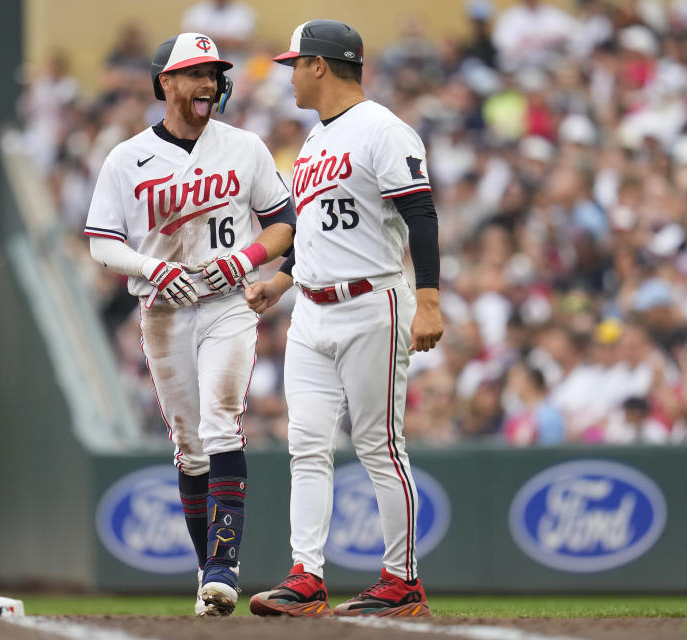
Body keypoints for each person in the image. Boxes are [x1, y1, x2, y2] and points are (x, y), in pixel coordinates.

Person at [84, 32, 295, 617]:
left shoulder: (244, 145)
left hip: (227, 299)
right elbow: (102, 241)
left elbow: (282, 224)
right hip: (164, 308)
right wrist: (153, 266)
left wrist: (246, 260)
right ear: (165, 83)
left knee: (223, 423)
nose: (209, 83)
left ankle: (225, 567)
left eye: (214, 72)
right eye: (195, 72)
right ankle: (209, 575)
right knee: (189, 445)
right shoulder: (126, 158)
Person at [245, 20, 443, 618]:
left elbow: (422, 215)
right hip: (311, 308)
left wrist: (429, 298)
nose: (292, 74)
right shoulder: (314, 140)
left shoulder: (383, 129)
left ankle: (402, 579)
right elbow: (313, 231)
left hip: (371, 303)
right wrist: (282, 280)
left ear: (321, 66)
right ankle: (306, 576)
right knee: (305, 446)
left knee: (379, 445)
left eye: (296, 64)